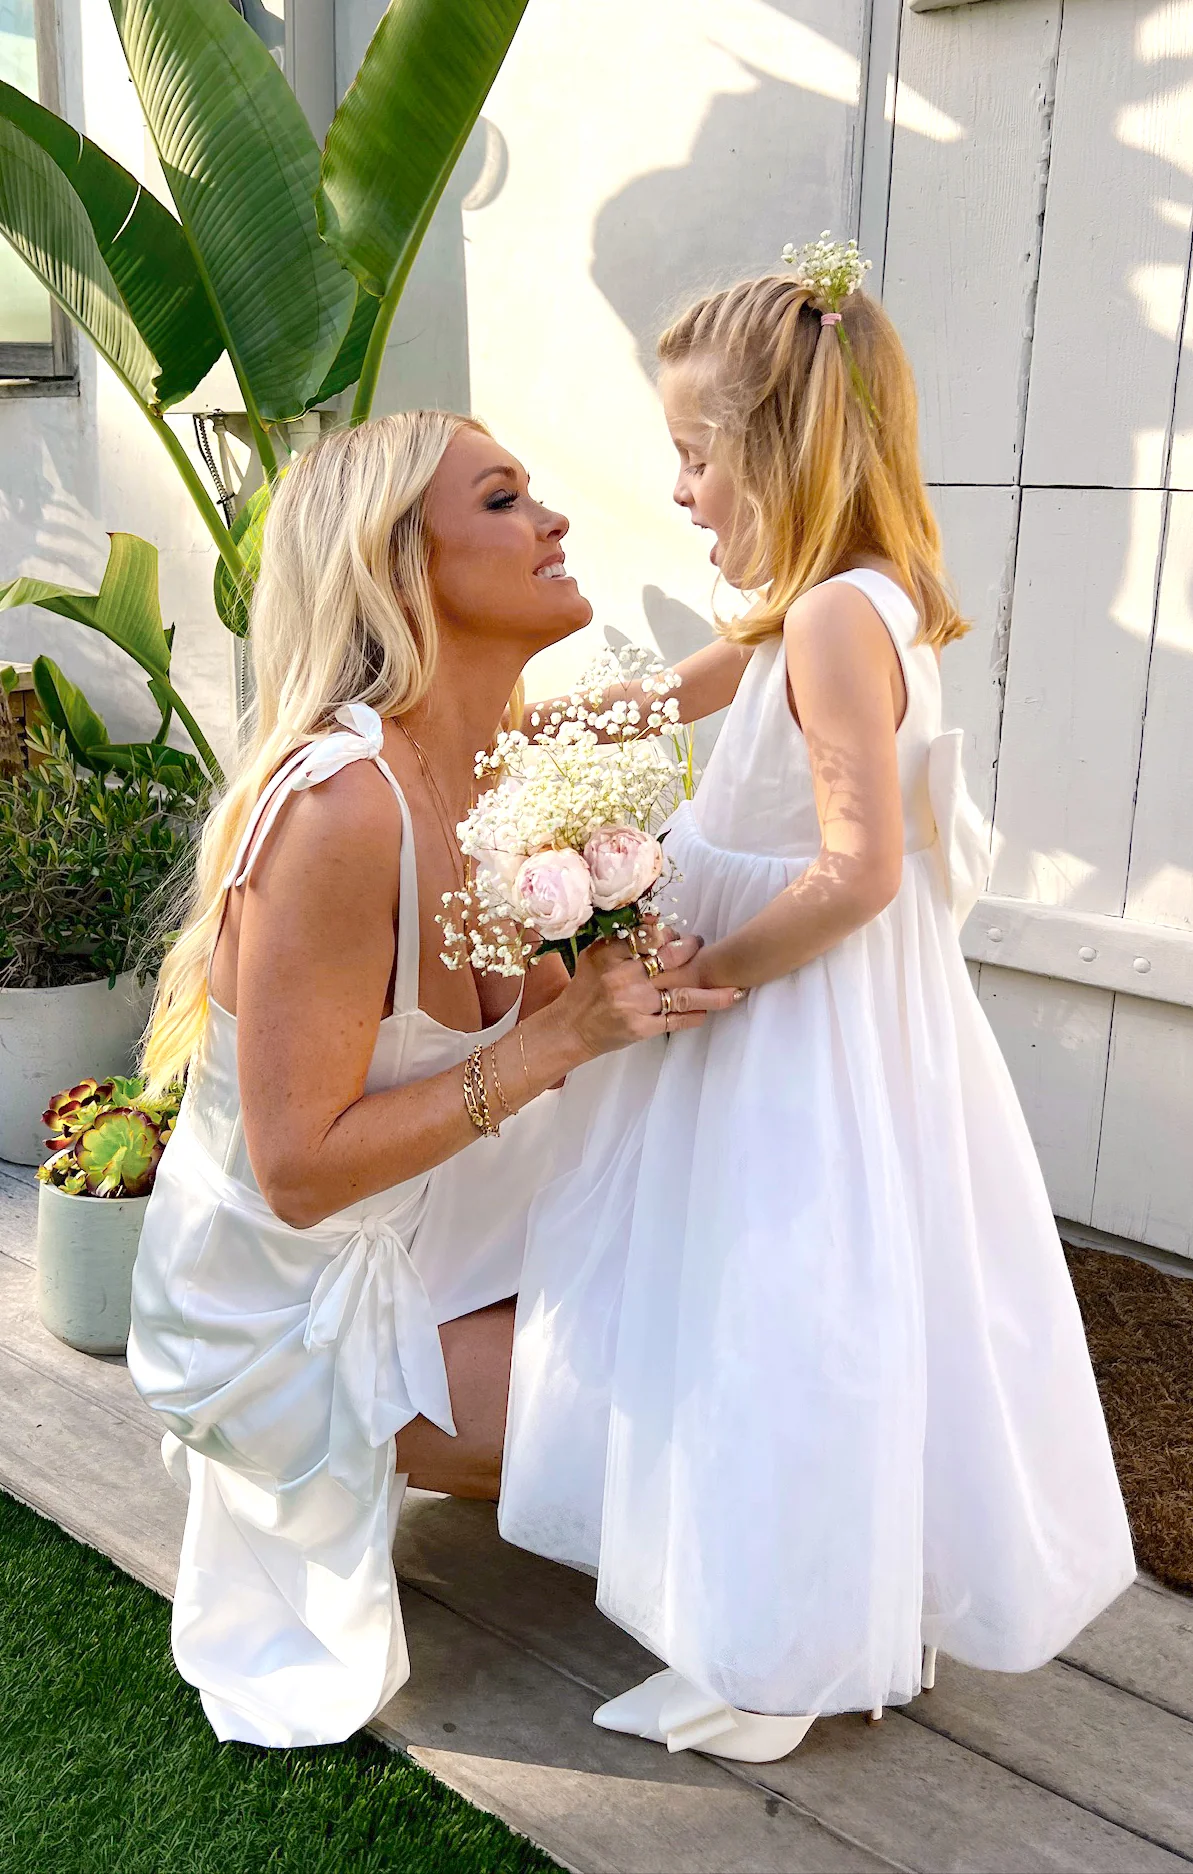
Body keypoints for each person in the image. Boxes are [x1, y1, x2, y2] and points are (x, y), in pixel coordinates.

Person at [497, 253, 1136, 1764]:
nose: (680, 488)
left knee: (773, 1305)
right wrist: (518, 719)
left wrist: (707, 977)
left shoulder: (843, 624)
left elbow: (856, 874)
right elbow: (683, 689)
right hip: (823, 1014)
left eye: (699, 456)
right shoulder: (844, 599)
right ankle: (816, 1599)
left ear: (779, 452)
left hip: (792, 1016)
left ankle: (775, 1651)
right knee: (802, 1300)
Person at [127, 410, 738, 1748]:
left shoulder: (514, 761)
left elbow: (692, 693)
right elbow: (293, 1173)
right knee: (693, 1411)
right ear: (405, 564)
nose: (555, 520)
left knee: (751, 1317)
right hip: (296, 1302)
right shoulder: (342, 810)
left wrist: (621, 983)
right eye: (509, 499)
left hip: (448, 1228)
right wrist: (549, 1043)